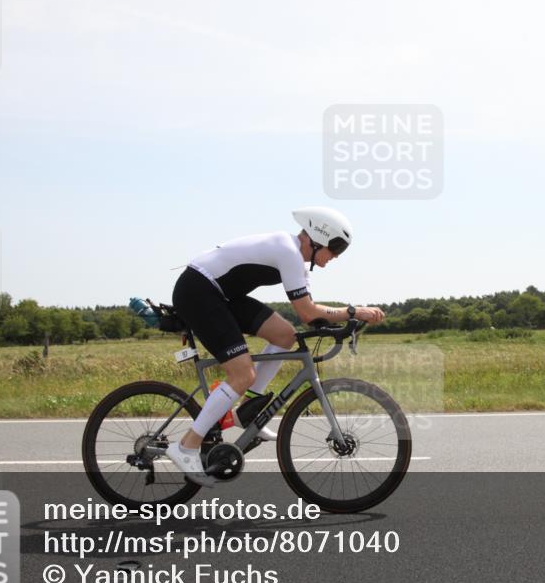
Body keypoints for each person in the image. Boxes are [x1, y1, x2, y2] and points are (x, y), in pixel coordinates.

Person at [165, 207, 385, 486]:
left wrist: (342, 322)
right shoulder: (289, 252)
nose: (335, 257)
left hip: (220, 296)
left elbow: (313, 314)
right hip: (198, 292)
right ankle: (187, 446)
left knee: (285, 336)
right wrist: (354, 311)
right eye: (335, 249)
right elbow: (307, 312)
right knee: (242, 374)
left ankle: (248, 412)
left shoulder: (296, 260)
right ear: (319, 237)